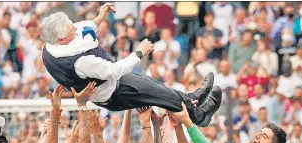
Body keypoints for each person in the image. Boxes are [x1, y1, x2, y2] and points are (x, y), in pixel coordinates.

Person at [39, 4, 222, 127]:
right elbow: (112, 71)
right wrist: (139, 52)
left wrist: (99, 18)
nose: (74, 27)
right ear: (61, 40)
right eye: (70, 28)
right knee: (159, 95)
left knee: (157, 86)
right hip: (113, 91)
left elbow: (80, 29)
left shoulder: (52, 44)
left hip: (112, 82)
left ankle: (191, 99)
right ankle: (199, 116)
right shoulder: (79, 62)